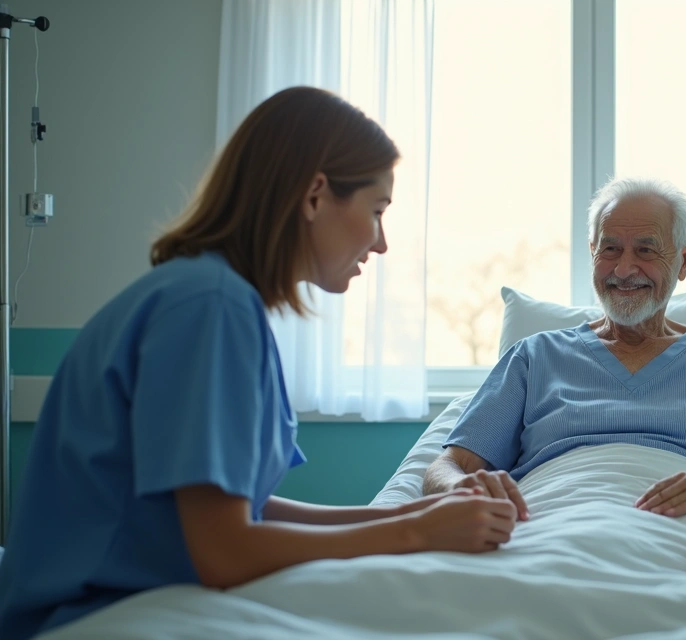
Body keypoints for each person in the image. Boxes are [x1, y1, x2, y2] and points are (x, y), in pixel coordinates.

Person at [0, 86, 517, 640]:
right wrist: (417, 537)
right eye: (377, 210)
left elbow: (241, 510)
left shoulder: (208, 296)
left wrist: (410, 516)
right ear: (315, 194)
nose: (381, 242)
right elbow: (224, 551)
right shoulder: (210, 308)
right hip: (85, 613)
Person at [423, 177, 686, 519]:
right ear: (592, 252)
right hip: (551, 522)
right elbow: (448, 468)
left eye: (646, 250)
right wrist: (468, 492)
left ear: (684, 261)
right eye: (610, 249)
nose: (624, 269)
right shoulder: (533, 357)